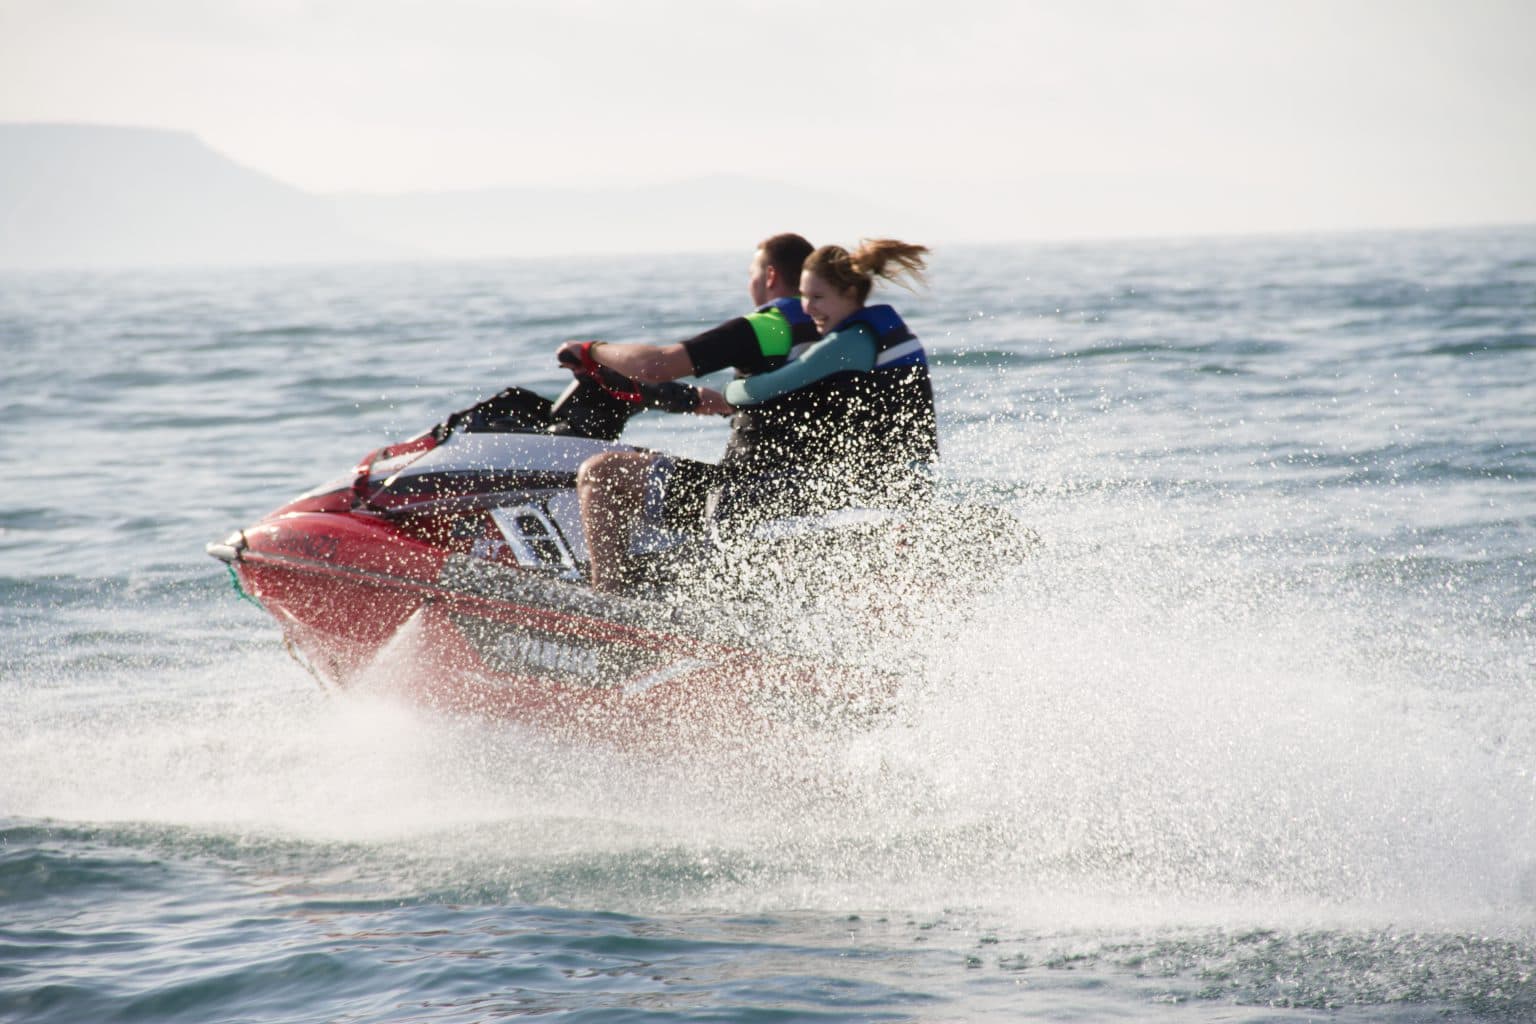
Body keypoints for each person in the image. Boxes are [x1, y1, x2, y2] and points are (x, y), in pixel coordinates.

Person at [554, 233, 819, 592]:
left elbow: (656, 365)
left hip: (745, 493)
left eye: (752, 274)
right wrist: (706, 400)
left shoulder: (769, 326)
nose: (751, 283)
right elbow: (783, 402)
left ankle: (607, 598)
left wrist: (591, 351)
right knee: (650, 460)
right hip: (801, 488)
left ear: (770, 276)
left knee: (602, 472)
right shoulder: (830, 330)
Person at [704, 238, 939, 521]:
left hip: (893, 487)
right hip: (910, 482)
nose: (806, 308)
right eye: (803, 296)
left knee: (729, 498)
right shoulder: (878, 333)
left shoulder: (849, 343)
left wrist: (727, 392)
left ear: (850, 293)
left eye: (817, 297)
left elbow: (765, 388)